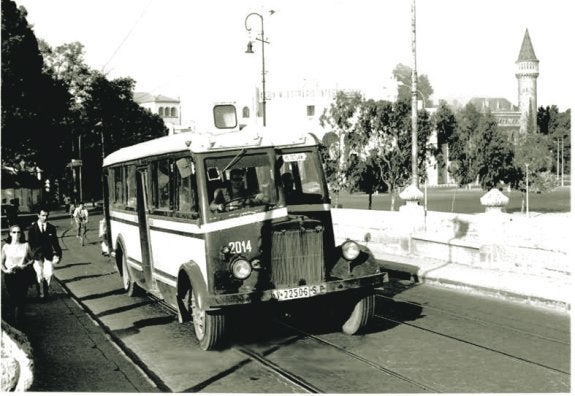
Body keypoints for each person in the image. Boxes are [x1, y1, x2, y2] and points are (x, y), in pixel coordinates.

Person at [1, 225, 34, 323]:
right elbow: (1, 262)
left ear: (21, 234)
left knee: (21, 297)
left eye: (18, 232)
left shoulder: (25, 245)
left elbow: (32, 259)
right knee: (13, 297)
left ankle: (20, 318)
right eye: (14, 232)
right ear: (10, 234)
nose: (16, 234)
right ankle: (13, 318)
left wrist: (25, 265)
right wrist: (6, 270)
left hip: (22, 274)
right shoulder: (6, 247)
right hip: (10, 275)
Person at [27, 207, 62, 299]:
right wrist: (31, 256)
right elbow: (30, 244)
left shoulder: (51, 228)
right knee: (39, 273)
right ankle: (41, 294)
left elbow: (55, 243)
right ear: (38, 215)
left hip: (48, 255)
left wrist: (58, 254)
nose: (45, 218)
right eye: (43, 215)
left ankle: (45, 291)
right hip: (36, 256)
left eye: (46, 215)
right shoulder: (32, 228)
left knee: (49, 273)